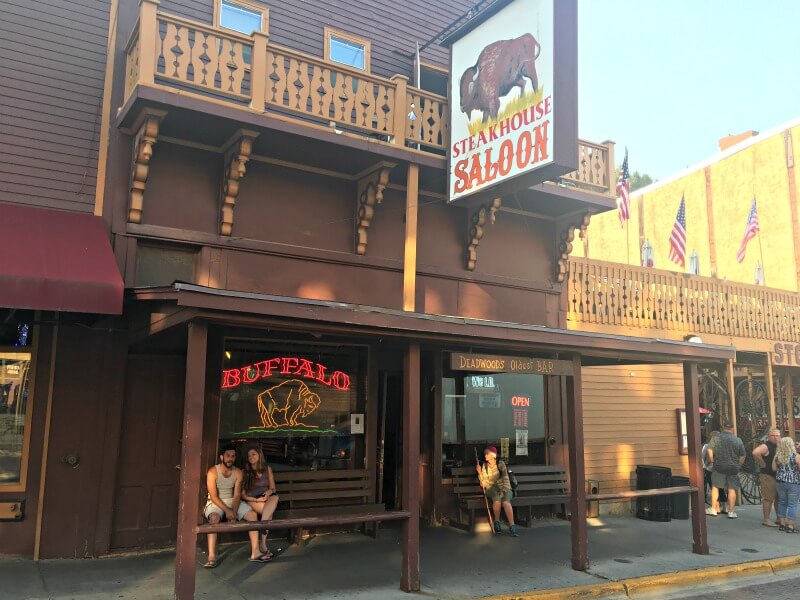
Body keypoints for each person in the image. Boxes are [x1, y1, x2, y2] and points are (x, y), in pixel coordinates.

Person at [203, 443, 266, 568]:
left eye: (233, 456)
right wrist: (227, 511)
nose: (230, 459)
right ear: (222, 457)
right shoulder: (212, 472)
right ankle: (211, 556)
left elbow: (237, 495)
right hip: (216, 502)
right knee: (214, 519)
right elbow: (214, 496)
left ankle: (255, 552)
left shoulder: (237, 472)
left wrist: (234, 512)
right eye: (228, 456)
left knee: (253, 515)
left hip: (232, 501)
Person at [241, 446, 279, 559]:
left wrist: (269, 492)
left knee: (275, 498)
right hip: (253, 499)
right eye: (249, 455)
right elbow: (243, 495)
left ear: (259, 455)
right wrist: (256, 500)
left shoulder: (267, 469)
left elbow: (273, 488)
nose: (251, 457)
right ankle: (263, 544)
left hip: (266, 498)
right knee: (269, 513)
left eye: (253, 454)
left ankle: (262, 527)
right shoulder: (245, 472)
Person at [705, 420, 745, 518]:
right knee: (731, 489)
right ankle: (731, 511)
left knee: (715, 487)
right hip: (733, 467)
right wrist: (738, 465)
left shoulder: (716, 438)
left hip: (719, 466)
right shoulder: (738, 440)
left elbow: (709, 450)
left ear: (723, 428)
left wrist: (711, 461)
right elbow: (743, 455)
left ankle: (713, 509)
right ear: (732, 428)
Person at [476, 446, 518, 537]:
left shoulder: (500, 463)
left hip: (505, 487)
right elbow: (484, 484)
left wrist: (503, 491)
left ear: (492, 455)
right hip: (491, 488)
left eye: (487, 453)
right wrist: (480, 473)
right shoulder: (484, 466)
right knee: (497, 500)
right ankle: (497, 522)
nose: (485, 455)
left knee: (506, 502)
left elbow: (506, 478)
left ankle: (512, 526)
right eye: (485, 454)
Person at [752, 428, 781, 527]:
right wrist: (762, 464)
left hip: (778, 476)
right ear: (769, 436)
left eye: (777, 436)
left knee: (778, 498)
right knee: (768, 498)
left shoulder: (779, 445)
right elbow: (755, 452)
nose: (775, 438)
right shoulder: (766, 445)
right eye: (773, 436)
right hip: (768, 475)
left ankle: (779, 518)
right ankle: (766, 519)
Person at [772, 436, 800, 533]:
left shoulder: (777, 456)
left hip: (780, 482)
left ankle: (782, 524)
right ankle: (790, 526)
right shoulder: (796, 456)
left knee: (782, 502)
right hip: (793, 482)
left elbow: (774, 468)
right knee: (792, 504)